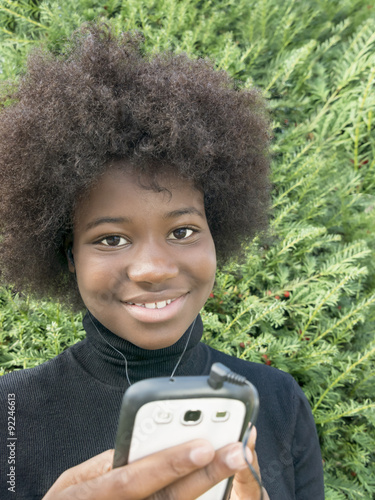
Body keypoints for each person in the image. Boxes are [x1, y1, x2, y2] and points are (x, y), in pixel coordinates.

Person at [0, 23, 324, 499]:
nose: (153, 268)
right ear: (68, 254)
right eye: (110, 239)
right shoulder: (10, 410)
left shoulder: (277, 401)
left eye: (183, 231)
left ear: (218, 233)